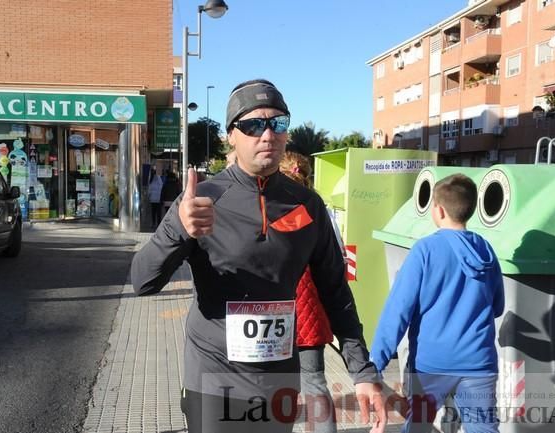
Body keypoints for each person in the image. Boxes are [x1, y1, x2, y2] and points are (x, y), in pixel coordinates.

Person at [131, 79, 386, 433]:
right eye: (253, 125)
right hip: (213, 376)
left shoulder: (307, 204)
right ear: (231, 136)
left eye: (278, 123)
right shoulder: (202, 199)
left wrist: (361, 371)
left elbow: (335, 291)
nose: (267, 134)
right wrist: (179, 230)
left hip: (278, 381)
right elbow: (142, 282)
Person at [370, 173, 504, 433]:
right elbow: (497, 306)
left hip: (430, 365)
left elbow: (398, 311)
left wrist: (375, 362)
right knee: (484, 428)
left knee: (418, 426)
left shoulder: (425, 250)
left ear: (439, 211)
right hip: (479, 361)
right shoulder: (487, 250)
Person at [279, 151, 338, 433]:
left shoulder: (275, 211)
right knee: (315, 385)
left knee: (275, 390)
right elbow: (335, 262)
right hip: (311, 314)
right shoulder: (318, 211)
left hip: (276, 316)